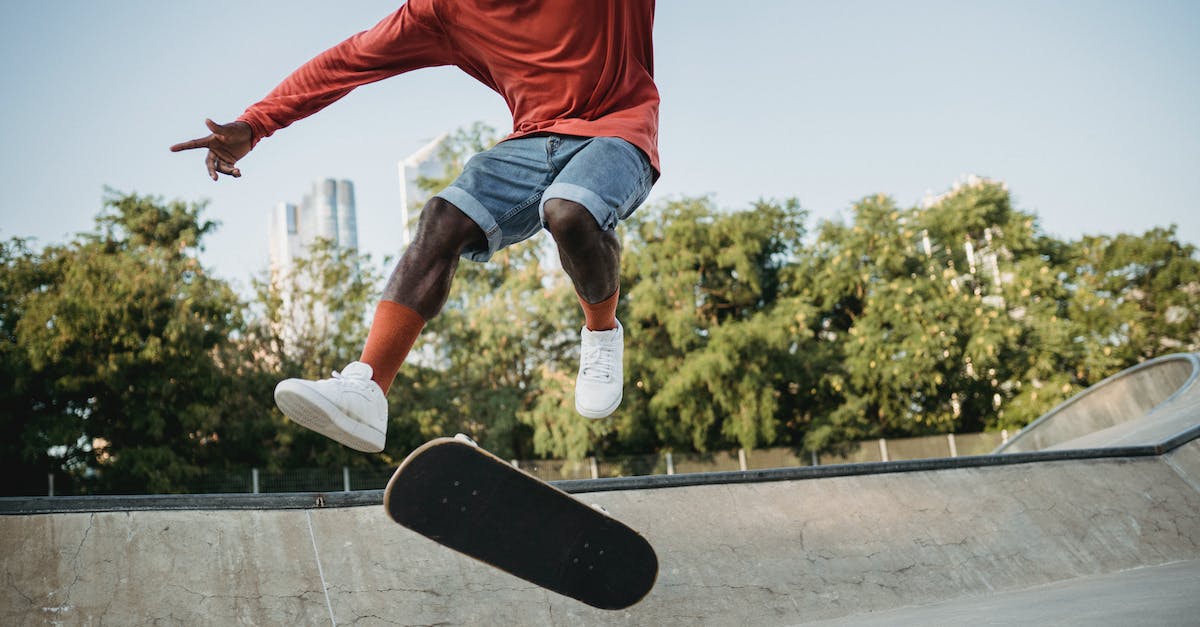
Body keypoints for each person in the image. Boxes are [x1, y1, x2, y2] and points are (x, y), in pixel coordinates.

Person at [170, 0, 660, 453]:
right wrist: (256, 124)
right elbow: (346, 62)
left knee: (568, 210)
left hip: (619, 133)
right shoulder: (445, 9)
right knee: (442, 218)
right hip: (532, 141)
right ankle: (367, 391)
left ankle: (601, 334)